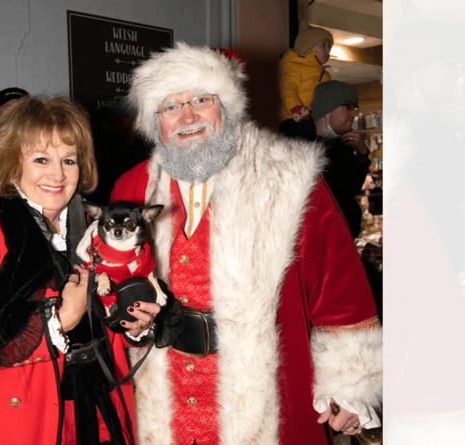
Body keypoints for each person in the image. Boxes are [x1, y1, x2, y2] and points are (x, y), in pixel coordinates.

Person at [110, 42, 382, 445]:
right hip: (162, 393)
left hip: (266, 396)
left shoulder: (290, 175)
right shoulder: (132, 187)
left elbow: (337, 287)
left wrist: (349, 388)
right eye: (170, 106)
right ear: (156, 121)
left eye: (201, 99)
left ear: (227, 105)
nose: (187, 116)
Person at [0, 96, 144, 444]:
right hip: (17, 418)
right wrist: (61, 318)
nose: (57, 174)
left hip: (99, 407)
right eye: (41, 159)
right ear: (13, 162)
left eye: (69, 160)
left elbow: (109, 317)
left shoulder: (95, 224)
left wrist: (135, 321)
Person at [310, 80, 371, 239]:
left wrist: (362, 153)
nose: (355, 114)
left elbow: (352, 188)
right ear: (327, 109)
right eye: (348, 106)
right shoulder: (304, 150)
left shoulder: (342, 146)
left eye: (355, 107)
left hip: (343, 242)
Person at [278, 25, 333, 138]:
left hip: (313, 117)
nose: (328, 52)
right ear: (309, 47)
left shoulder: (324, 75)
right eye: (324, 46)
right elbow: (287, 88)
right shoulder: (294, 66)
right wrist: (296, 107)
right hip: (293, 116)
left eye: (330, 48)